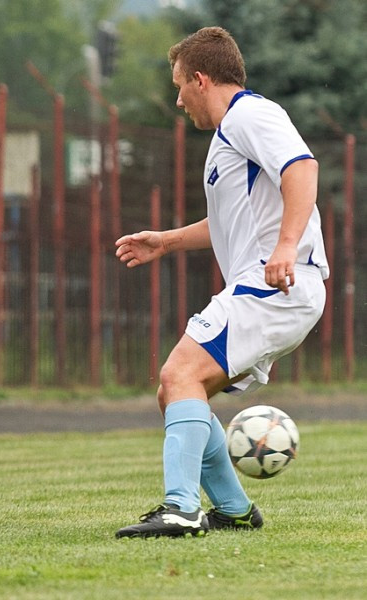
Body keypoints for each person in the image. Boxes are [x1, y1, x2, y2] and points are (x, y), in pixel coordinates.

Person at [113, 26, 327, 538]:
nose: (179, 98)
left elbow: (303, 168)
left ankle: (180, 507)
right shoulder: (229, 133)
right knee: (179, 392)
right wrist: (165, 241)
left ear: (202, 79)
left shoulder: (250, 114)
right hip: (271, 286)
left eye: (180, 85)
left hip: (275, 283)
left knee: (178, 375)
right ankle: (232, 509)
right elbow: (231, 223)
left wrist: (284, 247)